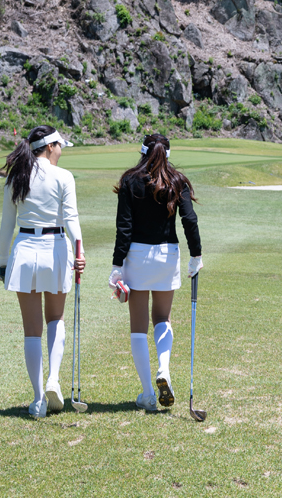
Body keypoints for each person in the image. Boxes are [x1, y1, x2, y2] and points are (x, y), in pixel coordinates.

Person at [0, 126, 86, 419]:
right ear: (49, 147)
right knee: (55, 318)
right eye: (60, 146)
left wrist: (2, 260)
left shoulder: (18, 175)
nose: (61, 150)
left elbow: (7, 224)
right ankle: (53, 380)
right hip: (55, 248)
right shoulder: (64, 176)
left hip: (24, 250)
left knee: (31, 330)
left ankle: (38, 399)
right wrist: (79, 250)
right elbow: (71, 218)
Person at [110, 134, 202, 411]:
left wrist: (117, 266)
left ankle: (149, 393)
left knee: (138, 325)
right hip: (167, 255)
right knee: (162, 317)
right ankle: (164, 370)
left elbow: (124, 228)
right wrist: (196, 256)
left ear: (142, 152)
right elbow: (189, 219)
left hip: (137, 256)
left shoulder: (129, 180)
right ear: (168, 153)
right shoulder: (177, 180)